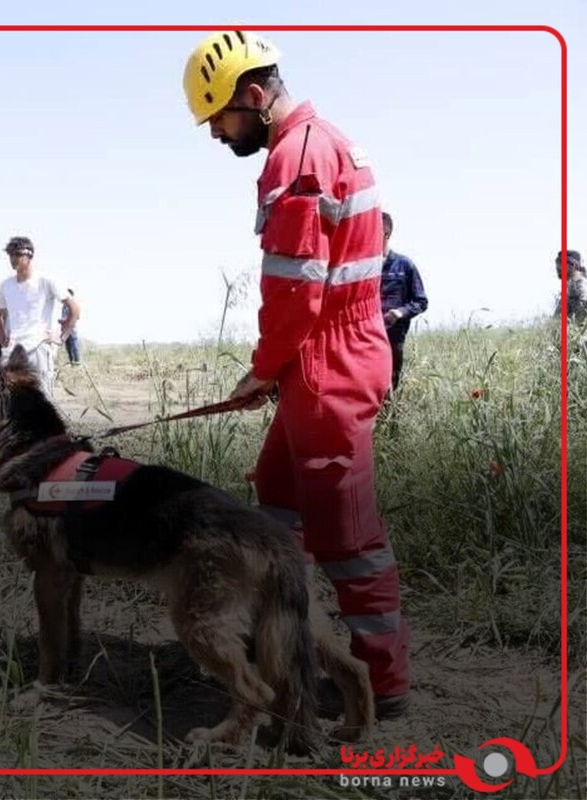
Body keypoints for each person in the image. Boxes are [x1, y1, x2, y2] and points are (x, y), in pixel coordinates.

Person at [184, 30, 409, 717]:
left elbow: (296, 289)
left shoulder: (298, 158)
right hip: (324, 354)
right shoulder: (323, 141)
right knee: (278, 506)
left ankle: (383, 683)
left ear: (253, 97)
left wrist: (264, 371)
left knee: (347, 536)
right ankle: (278, 642)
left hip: (328, 363)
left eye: (220, 118)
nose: (219, 136)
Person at [0, 236, 79, 397]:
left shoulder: (47, 281)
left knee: (41, 400)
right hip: (12, 351)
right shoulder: (6, 285)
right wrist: (3, 338)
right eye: (10, 255)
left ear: (29, 255)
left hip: (38, 347)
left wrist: (62, 336)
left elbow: (74, 309)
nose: (12, 259)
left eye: (16, 254)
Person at [379, 213, 429, 392]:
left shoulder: (404, 265)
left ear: (386, 233)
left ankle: (390, 419)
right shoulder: (364, 267)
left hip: (393, 336)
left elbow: (421, 301)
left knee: (391, 384)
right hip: (367, 336)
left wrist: (400, 313)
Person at [556, 249, 586, 322]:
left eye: (561, 263)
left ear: (573, 265)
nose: (558, 267)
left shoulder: (580, 283)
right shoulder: (570, 286)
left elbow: (584, 304)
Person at [62, 288, 81, 365]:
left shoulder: (75, 305)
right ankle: (71, 362)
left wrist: (67, 319)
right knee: (68, 346)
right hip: (65, 330)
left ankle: (77, 362)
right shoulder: (64, 306)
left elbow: (77, 316)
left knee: (74, 346)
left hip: (72, 329)